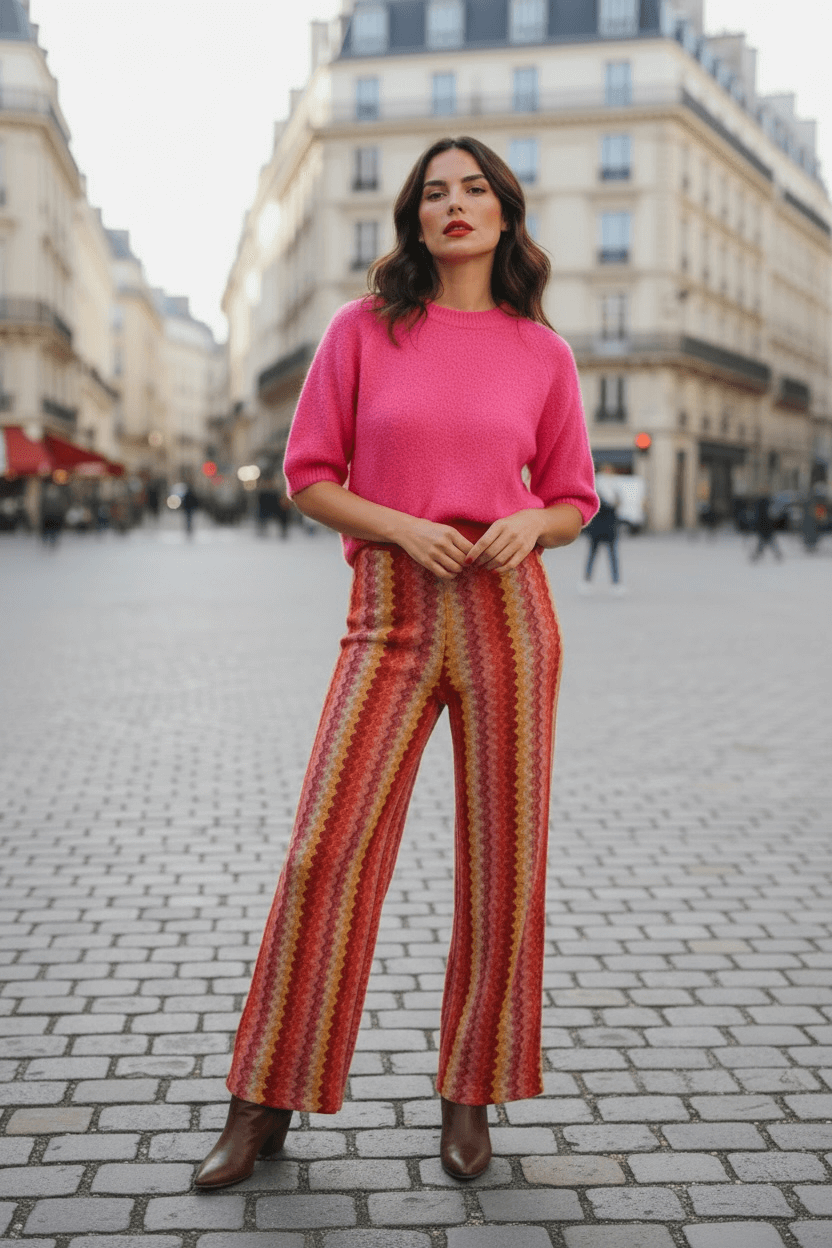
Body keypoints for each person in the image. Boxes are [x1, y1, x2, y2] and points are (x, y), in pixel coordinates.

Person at [194, 135, 598, 1191]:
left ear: (504, 215)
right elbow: (307, 473)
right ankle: (263, 1101)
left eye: (473, 190)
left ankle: (472, 1094)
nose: (453, 205)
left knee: (504, 865)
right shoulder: (364, 330)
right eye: (433, 192)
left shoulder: (542, 353)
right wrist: (403, 527)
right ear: (414, 219)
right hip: (392, 606)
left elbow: (571, 494)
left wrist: (535, 528)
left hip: (510, 609)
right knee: (324, 849)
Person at [582, 462, 624, 591]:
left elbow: (619, 502)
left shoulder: (615, 484)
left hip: (610, 526)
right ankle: (587, 581)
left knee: (612, 555)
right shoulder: (597, 483)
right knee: (593, 554)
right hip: (598, 526)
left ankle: (616, 582)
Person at [750, 494, 782, 562]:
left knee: (762, 545)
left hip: (763, 530)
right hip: (768, 530)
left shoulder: (760, 510)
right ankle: (778, 556)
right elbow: (773, 519)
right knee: (770, 544)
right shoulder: (767, 510)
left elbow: (757, 521)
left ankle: (756, 557)